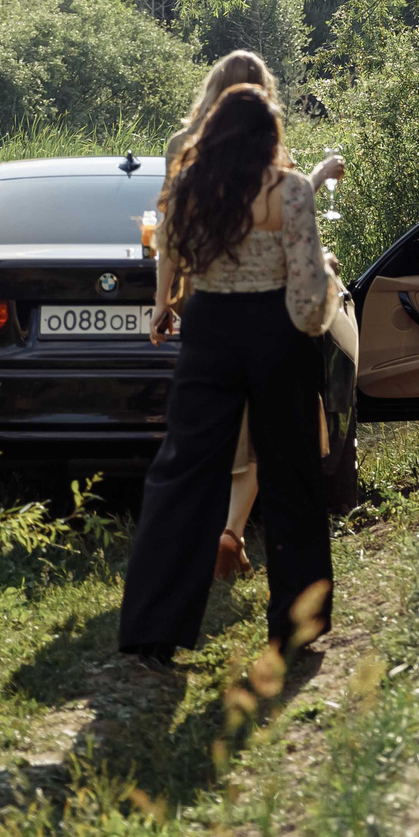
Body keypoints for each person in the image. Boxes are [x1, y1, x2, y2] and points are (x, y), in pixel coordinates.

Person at [117, 83, 335, 668]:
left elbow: (173, 252)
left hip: (209, 327)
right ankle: (295, 624)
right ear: (270, 135)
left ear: (213, 131)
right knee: (290, 474)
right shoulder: (289, 190)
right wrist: (310, 326)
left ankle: (152, 628)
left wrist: (167, 304)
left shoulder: (190, 188)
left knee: (184, 471)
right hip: (274, 330)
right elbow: (309, 277)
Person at [166, 52, 344, 580]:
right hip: (269, 317)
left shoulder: (186, 155)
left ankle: (210, 542)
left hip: (207, 309)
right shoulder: (274, 166)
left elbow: (176, 235)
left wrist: (168, 297)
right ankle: (234, 537)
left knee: (215, 437)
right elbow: (276, 216)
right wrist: (320, 284)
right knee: (279, 439)